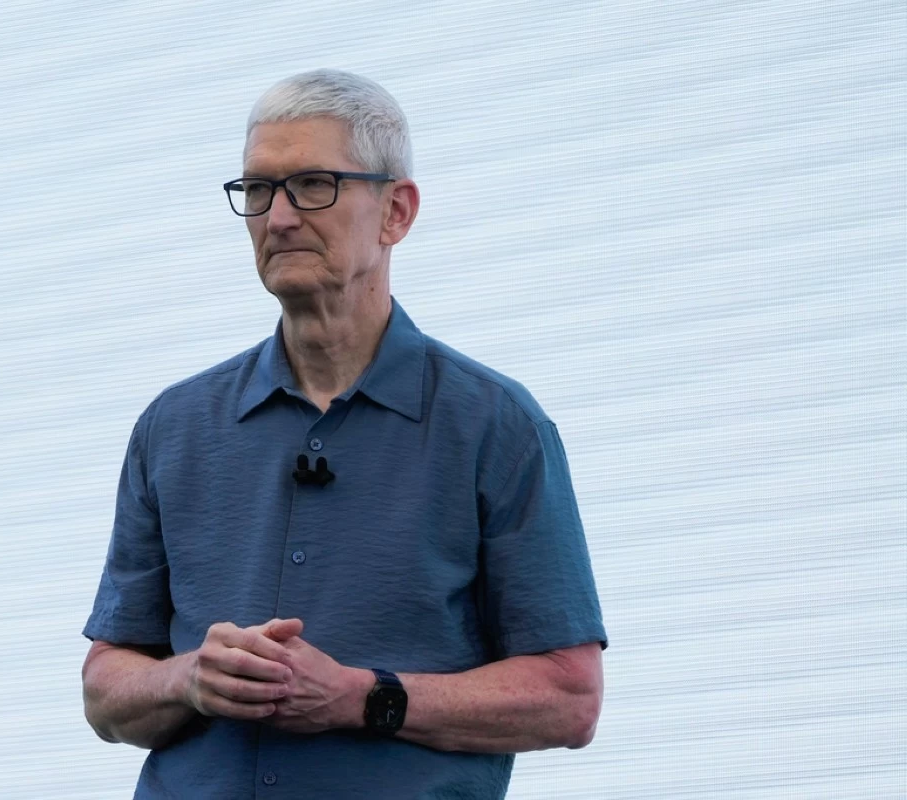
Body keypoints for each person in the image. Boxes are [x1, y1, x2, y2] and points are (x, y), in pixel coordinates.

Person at [81, 68, 607, 799]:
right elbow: (105, 690)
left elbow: (569, 697)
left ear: (396, 212)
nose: (279, 217)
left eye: (312, 185)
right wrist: (189, 678)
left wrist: (365, 697)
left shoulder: (498, 428)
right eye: (258, 190)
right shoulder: (173, 428)